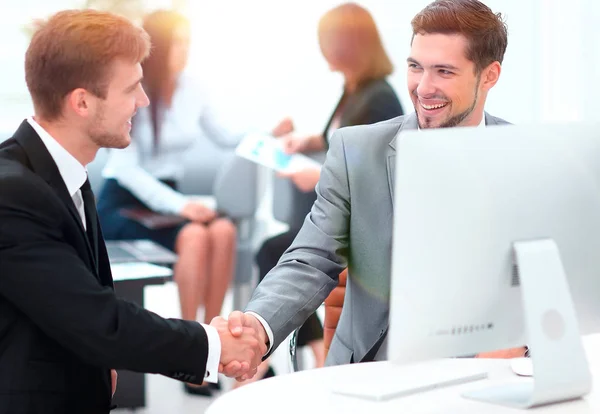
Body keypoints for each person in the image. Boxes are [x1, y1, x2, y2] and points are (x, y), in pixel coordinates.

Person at [222, 0, 526, 381]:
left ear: (489, 75)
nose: (423, 88)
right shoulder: (357, 150)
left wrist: (519, 338)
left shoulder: (527, 154)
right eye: (415, 67)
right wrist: (257, 327)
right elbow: (310, 258)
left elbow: (545, 273)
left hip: (485, 373)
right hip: (374, 372)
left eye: (444, 71)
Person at [0, 10, 263, 413]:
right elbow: (100, 322)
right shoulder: (12, 192)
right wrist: (214, 344)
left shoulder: (65, 170)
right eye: (131, 89)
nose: (142, 101)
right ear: (82, 102)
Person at [246, 2, 404, 385]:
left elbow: (375, 173)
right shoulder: (354, 90)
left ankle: (312, 358)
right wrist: (308, 140)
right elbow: (343, 139)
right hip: (342, 215)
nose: (322, 52)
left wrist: (314, 172)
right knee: (276, 248)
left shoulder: (377, 96)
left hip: (364, 223)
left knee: (274, 249)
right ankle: (304, 356)